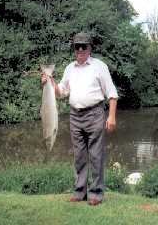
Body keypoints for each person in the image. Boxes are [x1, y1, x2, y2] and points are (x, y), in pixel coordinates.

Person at [41, 32, 118, 206]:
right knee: (79, 156)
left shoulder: (100, 66)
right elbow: (61, 92)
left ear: (90, 47)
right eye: (77, 46)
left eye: (84, 46)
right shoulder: (69, 68)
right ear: (74, 48)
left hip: (95, 114)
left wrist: (112, 116)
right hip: (75, 115)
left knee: (96, 155)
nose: (81, 49)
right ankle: (79, 191)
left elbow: (112, 93)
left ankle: (96, 193)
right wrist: (48, 81)